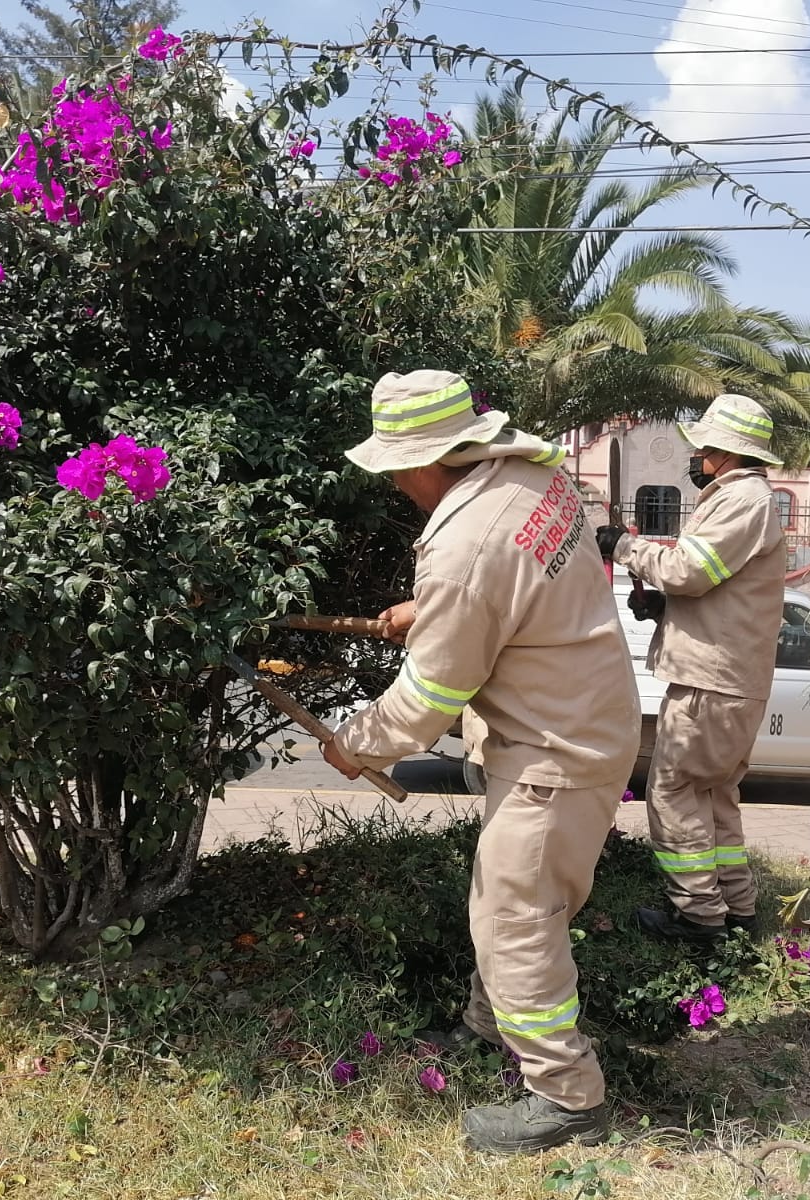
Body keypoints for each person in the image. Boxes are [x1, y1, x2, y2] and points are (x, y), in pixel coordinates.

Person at [324, 368, 641, 1154]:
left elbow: (432, 695)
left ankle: (567, 1097)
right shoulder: (530, 474)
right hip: (587, 723)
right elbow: (521, 586)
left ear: (429, 459)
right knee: (507, 906)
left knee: (518, 925)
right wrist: (436, 607)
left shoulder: (465, 544)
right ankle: (486, 1028)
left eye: (397, 468)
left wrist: (353, 741)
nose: (397, 484)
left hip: (554, 754)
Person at [594, 394, 786, 944]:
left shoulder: (742, 500)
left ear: (724, 452)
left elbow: (689, 570)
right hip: (727, 679)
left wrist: (625, 547)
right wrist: (663, 609)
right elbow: (713, 590)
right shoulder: (749, 499)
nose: (697, 455)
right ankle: (738, 911)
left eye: (703, 447)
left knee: (673, 792)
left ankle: (698, 917)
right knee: (714, 796)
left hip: (712, 681)